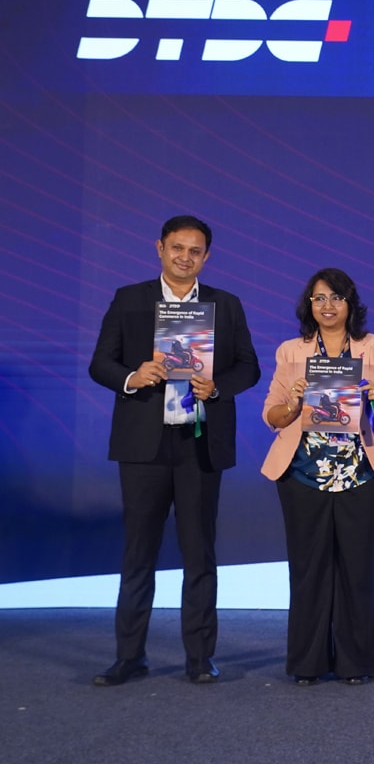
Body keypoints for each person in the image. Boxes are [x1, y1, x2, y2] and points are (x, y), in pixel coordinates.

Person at [89, 215, 261, 686]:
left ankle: (200, 658)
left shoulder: (225, 305)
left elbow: (249, 367)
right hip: (142, 444)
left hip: (199, 443)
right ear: (160, 249)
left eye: (195, 251)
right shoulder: (129, 299)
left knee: (199, 553)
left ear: (206, 257)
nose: (185, 257)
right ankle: (129, 657)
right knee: (138, 554)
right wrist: (132, 376)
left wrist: (216, 387)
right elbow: (100, 363)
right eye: (177, 248)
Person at [261, 268, 374, 686]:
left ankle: (354, 662)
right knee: (308, 570)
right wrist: (293, 404)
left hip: (363, 473)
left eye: (336, 298)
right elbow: (271, 415)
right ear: (309, 305)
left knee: (358, 571)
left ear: (351, 304)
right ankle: (307, 663)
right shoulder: (291, 351)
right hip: (303, 474)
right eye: (319, 298)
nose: (328, 306)